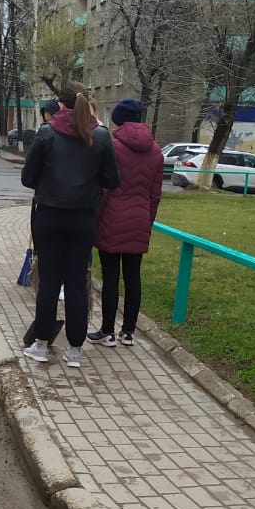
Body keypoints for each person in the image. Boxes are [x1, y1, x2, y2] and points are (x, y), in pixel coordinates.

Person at [20, 81, 119, 369]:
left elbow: (27, 178)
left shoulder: (47, 132)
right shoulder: (100, 135)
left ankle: (41, 344)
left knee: (48, 281)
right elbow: (113, 180)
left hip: (49, 216)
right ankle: (75, 350)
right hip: (83, 218)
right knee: (77, 283)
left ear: (60, 104)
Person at [88, 99, 164, 348]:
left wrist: (95, 218)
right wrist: (147, 221)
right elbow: (155, 195)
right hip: (139, 219)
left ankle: (107, 332)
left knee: (110, 277)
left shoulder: (113, 147)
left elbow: (104, 189)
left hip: (112, 219)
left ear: (119, 120)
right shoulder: (156, 152)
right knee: (133, 277)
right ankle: (128, 332)